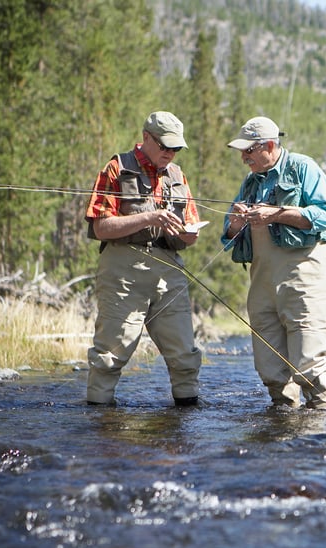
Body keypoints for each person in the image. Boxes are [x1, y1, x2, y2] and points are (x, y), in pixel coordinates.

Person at [84, 110, 203, 407]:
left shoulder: (177, 175)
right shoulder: (117, 168)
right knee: (110, 356)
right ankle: (100, 430)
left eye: (176, 148)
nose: (171, 154)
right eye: (165, 146)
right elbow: (100, 227)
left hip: (169, 269)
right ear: (146, 138)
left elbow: (192, 230)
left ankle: (186, 428)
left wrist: (188, 233)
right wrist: (150, 218)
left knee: (186, 356)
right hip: (124, 268)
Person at [221, 116, 326, 410]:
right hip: (262, 283)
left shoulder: (303, 168)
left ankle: (318, 429)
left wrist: (276, 214)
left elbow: (325, 217)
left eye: (249, 150)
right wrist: (234, 224)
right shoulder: (249, 182)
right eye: (242, 151)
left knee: (308, 361)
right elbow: (229, 237)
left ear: (269, 146)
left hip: (303, 278)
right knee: (270, 366)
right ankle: (281, 426)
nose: (244, 157)